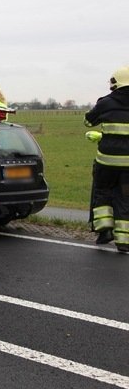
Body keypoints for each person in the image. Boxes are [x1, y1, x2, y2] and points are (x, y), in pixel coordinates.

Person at [83, 65, 129, 252]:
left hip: (106, 162)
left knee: (102, 193)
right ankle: (124, 241)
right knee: (125, 200)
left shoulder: (106, 102)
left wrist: (103, 134)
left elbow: (88, 121)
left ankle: (104, 231)